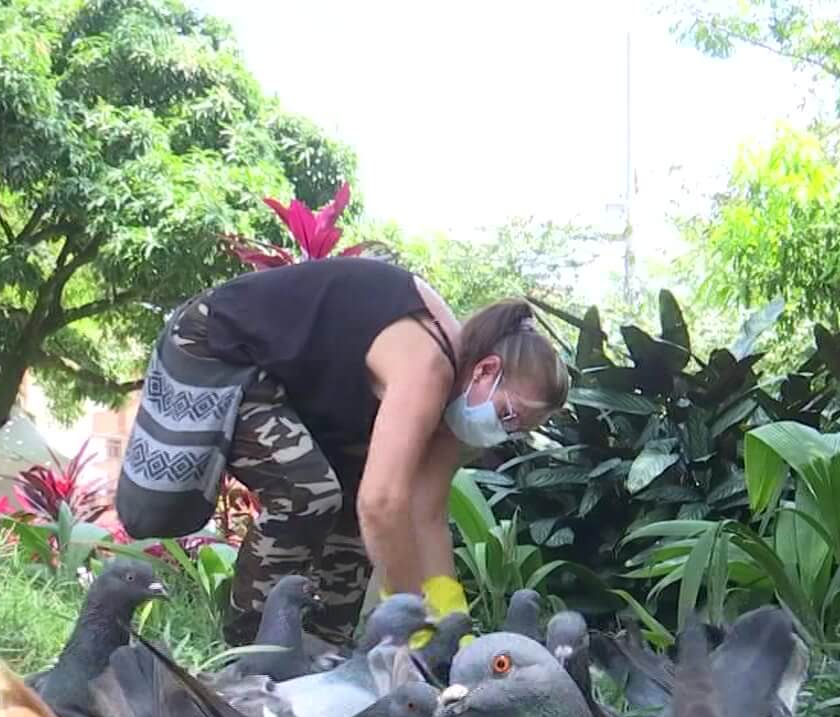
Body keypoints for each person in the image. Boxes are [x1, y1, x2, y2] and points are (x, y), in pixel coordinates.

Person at [120, 256, 568, 646]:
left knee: (351, 515)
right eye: (510, 415)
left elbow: (425, 515)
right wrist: (417, 620)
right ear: (486, 370)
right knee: (308, 491)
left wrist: (453, 623)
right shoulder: (428, 364)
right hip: (221, 347)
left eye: (519, 430)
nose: (504, 432)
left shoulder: (458, 411)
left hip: (293, 388)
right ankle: (252, 645)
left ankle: (323, 650)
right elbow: (383, 504)